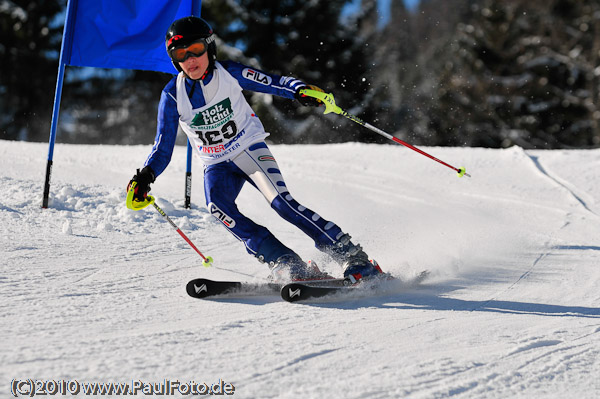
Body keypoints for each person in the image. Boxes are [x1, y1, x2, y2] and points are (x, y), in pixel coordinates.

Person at [127, 16, 382, 283]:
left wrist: (300, 90)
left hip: (247, 149)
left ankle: (351, 255)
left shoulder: (228, 73)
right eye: (181, 54)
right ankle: (285, 262)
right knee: (219, 208)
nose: (190, 60)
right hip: (216, 164)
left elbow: (271, 82)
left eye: (196, 50)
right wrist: (145, 177)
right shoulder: (172, 96)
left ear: (209, 48)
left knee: (281, 203)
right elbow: (163, 146)